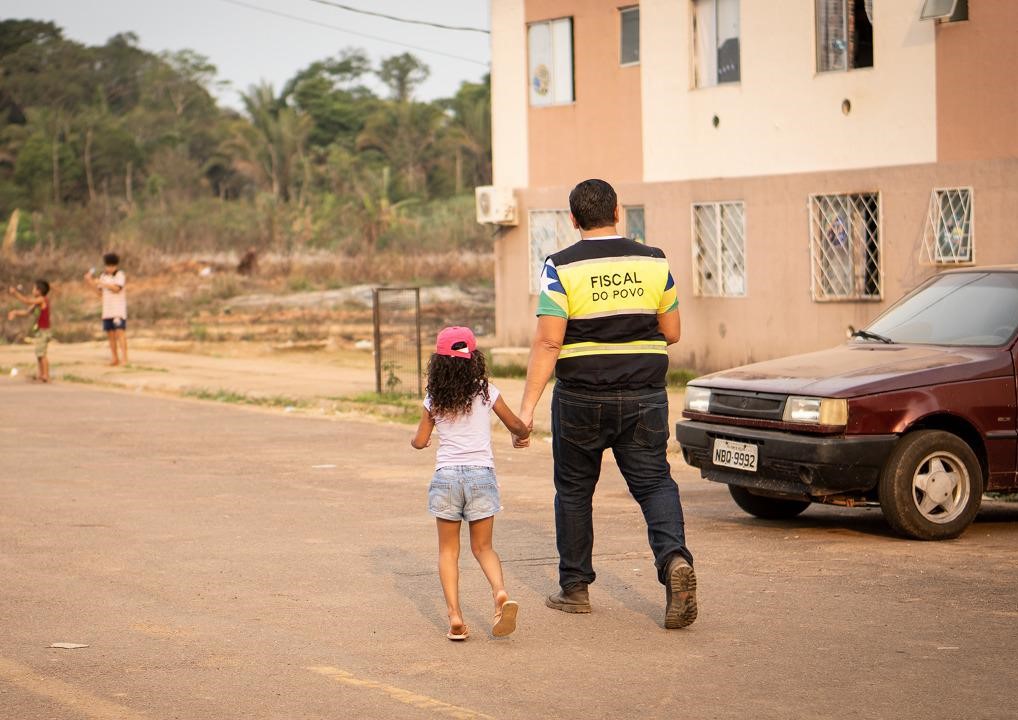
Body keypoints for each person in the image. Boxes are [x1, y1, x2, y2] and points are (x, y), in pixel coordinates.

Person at [515, 178, 697, 629]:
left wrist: (526, 410)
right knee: (655, 484)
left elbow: (548, 342)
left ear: (574, 220)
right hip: (645, 395)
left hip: (581, 397)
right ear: (619, 212)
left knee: (575, 491)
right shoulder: (654, 261)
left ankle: (575, 589)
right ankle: (674, 561)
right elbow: (672, 332)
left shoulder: (561, 266)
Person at [411, 326, 530, 641]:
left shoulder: (434, 398)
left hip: (447, 477)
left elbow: (420, 442)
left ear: (439, 362)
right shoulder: (486, 391)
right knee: (484, 547)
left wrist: (418, 435)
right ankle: (500, 593)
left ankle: (455, 617)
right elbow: (515, 424)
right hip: (481, 476)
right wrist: (523, 434)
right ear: (474, 358)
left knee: (448, 551)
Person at [84, 253, 128, 366]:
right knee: (111, 335)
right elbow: (100, 293)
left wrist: (102, 283)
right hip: (107, 311)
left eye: (112, 266)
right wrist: (90, 282)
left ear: (116, 265)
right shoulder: (103, 276)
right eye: (108, 266)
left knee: (120, 334)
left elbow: (117, 289)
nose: (109, 268)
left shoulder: (120, 275)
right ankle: (114, 358)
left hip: (118, 310)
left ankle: (124, 358)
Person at [7, 280, 52, 383]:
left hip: (44, 331)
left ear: (39, 291)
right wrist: (15, 312)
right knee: (39, 353)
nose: (32, 290)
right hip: (39, 330)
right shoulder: (38, 302)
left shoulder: (42, 299)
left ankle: (46, 375)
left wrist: (15, 294)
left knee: (42, 354)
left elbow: (27, 301)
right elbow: (27, 312)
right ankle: (41, 374)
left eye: (34, 288)